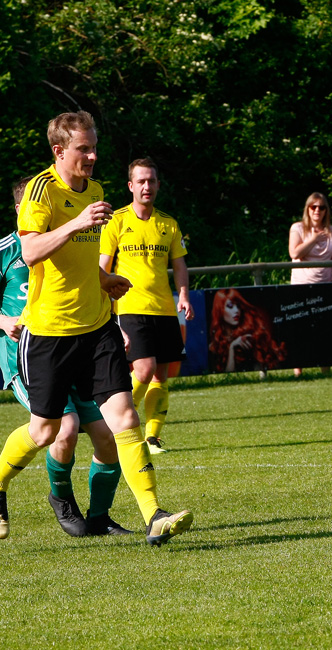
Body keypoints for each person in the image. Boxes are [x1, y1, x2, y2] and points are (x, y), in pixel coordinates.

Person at [2, 111, 193, 545]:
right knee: (45, 431)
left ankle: (153, 516)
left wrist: (105, 280)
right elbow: (30, 251)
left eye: (93, 147)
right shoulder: (40, 190)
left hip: (98, 327)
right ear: (59, 151)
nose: (91, 156)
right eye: (82, 149)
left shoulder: (99, 191)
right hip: (49, 332)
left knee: (124, 418)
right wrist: (77, 223)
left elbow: (82, 262)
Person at [0, 177, 131, 538]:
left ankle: (101, 516)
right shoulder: (8, 250)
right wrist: (4, 321)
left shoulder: (73, 238)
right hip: (27, 355)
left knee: (108, 435)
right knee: (62, 429)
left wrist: (111, 322)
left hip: (78, 348)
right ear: (22, 209)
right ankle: (63, 501)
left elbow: (88, 285)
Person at [99, 158, 193, 455]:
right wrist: (103, 298)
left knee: (160, 375)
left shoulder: (168, 223)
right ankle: (120, 421)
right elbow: (102, 265)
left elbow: (179, 265)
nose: (147, 186)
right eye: (141, 181)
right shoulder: (116, 221)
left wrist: (184, 295)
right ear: (130, 186)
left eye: (151, 181)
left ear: (158, 185)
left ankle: (152, 438)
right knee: (144, 369)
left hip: (164, 308)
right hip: (130, 307)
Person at [288, 192, 332, 376]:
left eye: (322, 207)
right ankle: (298, 372)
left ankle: (325, 370)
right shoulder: (298, 228)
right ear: (307, 209)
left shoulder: (331, 231)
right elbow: (294, 253)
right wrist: (314, 239)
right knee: (300, 330)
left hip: (324, 285)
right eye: (313, 207)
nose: (317, 211)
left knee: (323, 331)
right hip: (302, 285)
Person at [208, 288, 286, 373]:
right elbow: (228, 374)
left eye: (238, 306)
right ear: (220, 310)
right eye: (230, 306)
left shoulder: (248, 337)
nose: (236, 311)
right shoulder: (215, 344)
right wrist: (232, 348)